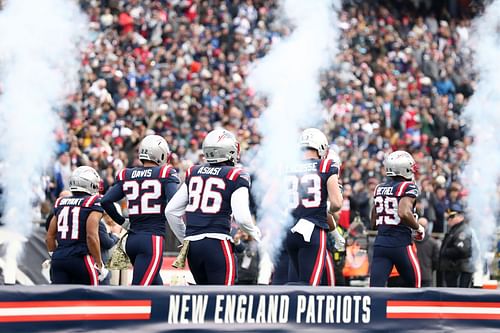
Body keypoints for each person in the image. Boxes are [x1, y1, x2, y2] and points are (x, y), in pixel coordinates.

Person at [165, 128, 261, 285]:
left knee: (203, 298)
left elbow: (171, 211)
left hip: (193, 248)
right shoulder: (236, 174)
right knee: (224, 300)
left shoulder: (194, 171)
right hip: (217, 244)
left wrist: (186, 238)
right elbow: (242, 218)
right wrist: (254, 232)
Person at [101, 135, 180, 285]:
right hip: (152, 239)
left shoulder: (128, 174)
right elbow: (175, 203)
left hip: (132, 239)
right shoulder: (165, 174)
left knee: (156, 286)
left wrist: (122, 222)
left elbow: (106, 200)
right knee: (139, 291)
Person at [285, 128, 343, 286]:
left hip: (290, 231)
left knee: (294, 285)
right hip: (313, 232)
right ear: (322, 147)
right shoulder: (326, 166)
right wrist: (326, 206)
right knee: (310, 289)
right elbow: (337, 204)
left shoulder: (288, 167)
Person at [45, 166, 109, 285]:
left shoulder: (61, 201)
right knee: (91, 299)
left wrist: (54, 255)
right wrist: (99, 264)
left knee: (60, 300)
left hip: (60, 259)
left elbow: (49, 236)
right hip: (82, 259)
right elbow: (92, 236)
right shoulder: (93, 202)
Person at [369, 151, 424, 288]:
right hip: (401, 243)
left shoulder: (379, 188)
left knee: (375, 289)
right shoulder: (408, 187)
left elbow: (373, 222)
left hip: (381, 244)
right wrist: (418, 227)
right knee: (415, 287)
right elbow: (404, 212)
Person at [438, 204, 474, 288]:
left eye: (452, 217)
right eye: (448, 217)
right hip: (453, 269)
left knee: (459, 296)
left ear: (460, 217)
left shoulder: (463, 230)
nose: (449, 220)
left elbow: (462, 250)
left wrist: (444, 252)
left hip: (459, 269)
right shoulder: (454, 230)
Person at [415, 217, 439, 287]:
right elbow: (436, 261)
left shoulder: (410, 241)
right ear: (427, 227)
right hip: (427, 275)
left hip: (414, 275)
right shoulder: (433, 242)